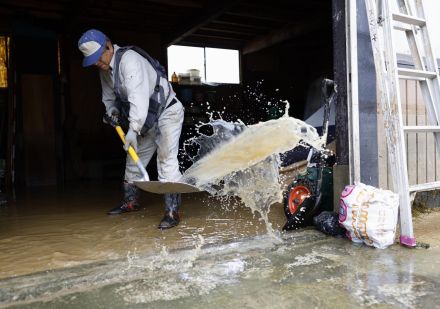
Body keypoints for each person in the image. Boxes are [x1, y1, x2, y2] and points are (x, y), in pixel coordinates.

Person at [78, 29, 184, 229]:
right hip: (145, 118)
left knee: (166, 158)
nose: (97, 64)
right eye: (93, 61)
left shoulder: (130, 61)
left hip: (166, 112)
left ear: (108, 46)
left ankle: (172, 211)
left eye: (98, 58)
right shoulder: (105, 69)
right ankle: (130, 202)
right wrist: (112, 112)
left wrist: (133, 130)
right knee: (133, 160)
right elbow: (109, 96)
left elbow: (139, 99)